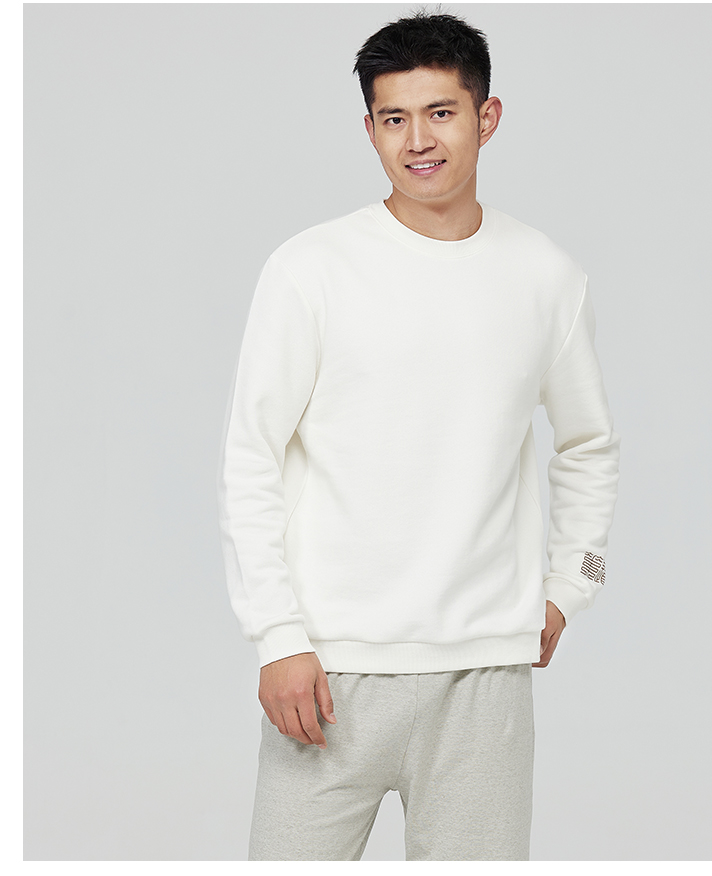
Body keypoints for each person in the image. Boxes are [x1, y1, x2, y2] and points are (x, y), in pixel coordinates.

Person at [217, 10, 620, 862]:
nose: (418, 140)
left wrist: (570, 585)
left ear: (487, 116)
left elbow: (589, 444)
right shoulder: (310, 270)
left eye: (440, 112)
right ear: (369, 129)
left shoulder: (547, 277)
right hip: (328, 670)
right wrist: (277, 637)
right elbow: (251, 456)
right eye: (393, 118)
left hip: (485, 678)